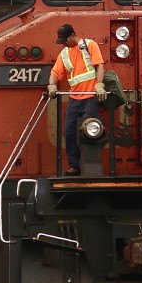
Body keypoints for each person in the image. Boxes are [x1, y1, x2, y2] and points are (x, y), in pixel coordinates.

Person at [47, 23, 106, 176]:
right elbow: (55, 73)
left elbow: (99, 65)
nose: (64, 43)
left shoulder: (89, 45)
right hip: (75, 98)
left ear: (73, 35)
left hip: (91, 97)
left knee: (90, 131)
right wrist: (52, 85)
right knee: (69, 132)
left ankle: (91, 166)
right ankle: (75, 165)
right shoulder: (64, 54)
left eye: (65, 40)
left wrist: (99, 85)